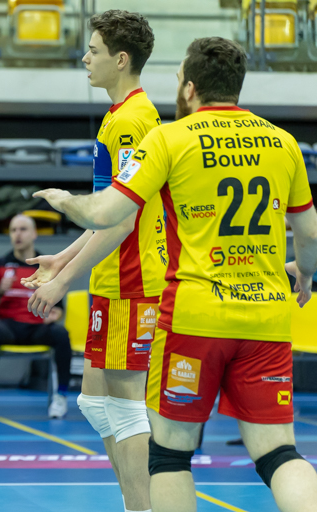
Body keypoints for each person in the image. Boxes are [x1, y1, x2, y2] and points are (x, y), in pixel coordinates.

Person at [33, 37, 317, 512]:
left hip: (193, 318)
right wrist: (304, 274)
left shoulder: (170, 138)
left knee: (169, 455)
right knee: (278, 453)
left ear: (189, 88)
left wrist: (65, 201)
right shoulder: (283, 142)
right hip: (266, 319)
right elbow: (309, 232)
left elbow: (107, 213)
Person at [23, 10, 162, 512]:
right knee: (93, 402)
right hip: (114, 279)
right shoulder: (121, 115)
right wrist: (62, 260)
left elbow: (121, 222)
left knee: (125, 410)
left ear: (120, 60)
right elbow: (107, 213)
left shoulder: (130, 122)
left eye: (94, 50)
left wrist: (62, 285)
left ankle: (143, 508)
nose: (85, 58)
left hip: (132, 280)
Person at [0, 214, 72, 419]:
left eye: (23, 229)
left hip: (37, 327)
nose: (17, 235)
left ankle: (61, 395)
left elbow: (59, 308)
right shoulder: (0, 265)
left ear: (34, 234)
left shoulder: (47, 265)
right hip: (8, 327)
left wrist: (55, 315)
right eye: (13, 230)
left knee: (61, 334)